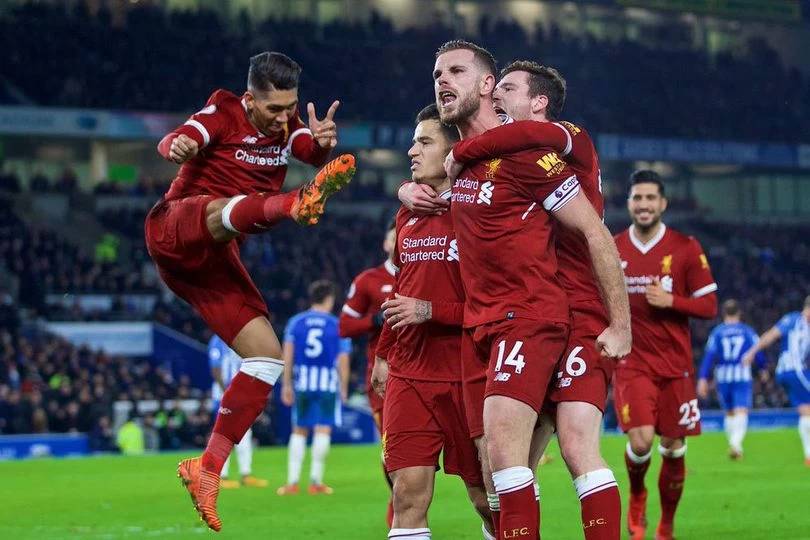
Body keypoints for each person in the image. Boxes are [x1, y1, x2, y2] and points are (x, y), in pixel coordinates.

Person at [423, 40, 629, 539]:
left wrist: (622, 323)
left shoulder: (562, 140)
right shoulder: (490, 158)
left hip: (572, 308)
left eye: (506, 90)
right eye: (438, 73)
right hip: (513, 314)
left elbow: (593, 230)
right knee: (499, 467)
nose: (497, 98)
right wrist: (413, 188)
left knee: (574, 446)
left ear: (538, 102)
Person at [144, 51, 356, 531]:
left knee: (266, 357)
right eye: (274, 108)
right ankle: (295, 202)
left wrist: (322, 144)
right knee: (226, 208)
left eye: (291, 107)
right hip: (176, 227)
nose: (284, 117)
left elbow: (308, 150)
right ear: (249, 99)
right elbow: (179, 137)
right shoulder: (223, 112)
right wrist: (177, 145)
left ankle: (207, 469)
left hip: (212, 261)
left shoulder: (287, 125)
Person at [370, 103, 493, 540]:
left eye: (424, 142)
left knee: (486, 499)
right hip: (410, 372)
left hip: (467, 372)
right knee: (407, 495)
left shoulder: (481, 211)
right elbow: (402, 287)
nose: (412, 151)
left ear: (453, 150)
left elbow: (497, 304)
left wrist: (431, 311)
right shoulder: (408, 212)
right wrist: (384, 353)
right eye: (413, 142)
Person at [613, 170, 718, 540]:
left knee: (673, 447)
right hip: (633, 363)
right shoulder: (613, 248)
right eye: (637, 198)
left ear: (663, 204)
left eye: (650, 198)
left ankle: (667, 524)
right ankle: (637, 494)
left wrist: (671, 300)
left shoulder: (685, 247)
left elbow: (709, 306)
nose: (643, 204)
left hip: (676, 366)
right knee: (641, 442)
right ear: (629, 203)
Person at [338, 220, 397, 523]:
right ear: (386, 244)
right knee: (393, 448)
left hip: (431, 370)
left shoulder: (430, 272)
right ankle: (398, 505)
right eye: (394, 237)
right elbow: (344, 326)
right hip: (384, 379)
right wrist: (373, 321)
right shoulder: (369, 281)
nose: (400, 241)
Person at [277, 280, 351, 495]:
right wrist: (344, 387)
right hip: (327, 384)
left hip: (303, 383)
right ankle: (316, 482)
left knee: (299, 429)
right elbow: (343, 359)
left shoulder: (296, 322)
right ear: (329, 299)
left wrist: (286, 384)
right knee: (323, 428)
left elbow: (287, 355)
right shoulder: (336, 324)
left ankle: (292, 482)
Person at [741, 295, 810, 466]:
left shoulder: (806, 326)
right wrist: (751, 352)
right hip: (794, 370)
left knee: (805, 410)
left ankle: (808, 455)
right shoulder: (794, 319)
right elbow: (771, 335)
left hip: (790, 372)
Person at [697, 299, 764, 460]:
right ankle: (735, 444)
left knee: (729, 412)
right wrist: (762, 368)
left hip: (723, 375)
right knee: (742, 410)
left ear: (724, 313)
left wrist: (703, 378)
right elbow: (758, 351)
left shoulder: (717, 332)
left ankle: (734, 446)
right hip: (741, 374)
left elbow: (709, 357)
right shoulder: (747, 331)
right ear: (739, 313)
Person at [209, 334, 269, 487]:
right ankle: (221, 476)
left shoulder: (240, 340)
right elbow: (216, 370)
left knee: (245, 433)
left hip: (240, 394)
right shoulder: (218, 341)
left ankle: (246, 474)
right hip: (224, 396)